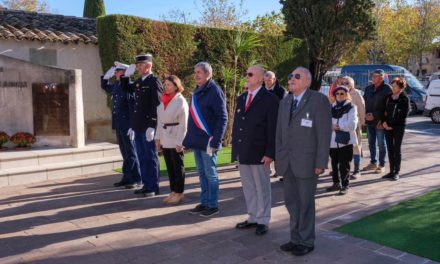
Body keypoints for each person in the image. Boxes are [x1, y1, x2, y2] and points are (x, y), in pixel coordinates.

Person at [276, 67, 332, 256]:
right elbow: (279, 134)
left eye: (296, 77)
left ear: (307, 82)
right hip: (287, 162)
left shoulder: (319, 100)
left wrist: (321, 162)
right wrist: (279, 159)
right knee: (291, 203)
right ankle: (295, 238)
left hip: (308, 162)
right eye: (290, 76)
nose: (291, 79)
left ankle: (307, 241)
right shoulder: (285, 102)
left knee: (306, 203)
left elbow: (324, 134)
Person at [232, 65, 279, 236]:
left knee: (262, 187)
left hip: (260, 152)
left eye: (250, 74)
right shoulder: (242, 97)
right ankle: (252, 217)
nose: (246, 76)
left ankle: (263, 219)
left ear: (260, 78)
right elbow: (238, 126)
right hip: (243, 150)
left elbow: (273, 129)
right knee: (248, 187)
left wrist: (270, 153)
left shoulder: (270, 99)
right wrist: (235, 150)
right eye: (246, 73)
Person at [182, 62, 228, 217]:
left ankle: (213, 205)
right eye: (195, 72)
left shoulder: (215, 91)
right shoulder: (197, 91)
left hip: (209, 141)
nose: (196, 75)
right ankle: (205, 202)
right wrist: (188, 140)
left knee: (210, 173)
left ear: (208, 74)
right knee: (201, 173)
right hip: (198, 141)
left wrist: (216, 141)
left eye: (199, 72)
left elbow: (222, 117)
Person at [120, 54, 163, 197]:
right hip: (138, 126)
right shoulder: (139, 81)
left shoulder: (154, 81)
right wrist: (126, 76)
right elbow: (127, 90)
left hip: (148, 127)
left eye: (141, 65)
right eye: (137, 65)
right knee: (142, 156)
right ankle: (146, 184)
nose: (138, 67)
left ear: (149, 65)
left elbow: (157, 104)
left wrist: (153, 125)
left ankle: (153, 186)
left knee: (150, 157)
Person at [101, 62, 141, 189]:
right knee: (125, 153)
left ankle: (136, 178)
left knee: (131, 152)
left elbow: (132, 107)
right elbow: (106, 87)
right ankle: (127, 177)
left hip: (127, 125)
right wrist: (104, 78)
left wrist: (133, 125)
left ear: (124, 73)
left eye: (118, 72)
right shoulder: (118, 85)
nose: (116, 74)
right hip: (119, 124)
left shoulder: (128, 85)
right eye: (116, 72)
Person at [156, 75, 189, 205]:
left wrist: (180, 142)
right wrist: (158, 138)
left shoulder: (180, 101)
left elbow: (184, 124)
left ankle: (179, 192)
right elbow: (159, 121)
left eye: (169, 85)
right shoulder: (163, 99)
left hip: (176, 136)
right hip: (165, 136)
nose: (166, 87)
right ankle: (173, 191)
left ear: (176, 86)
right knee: (170, 166)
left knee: (177, 166)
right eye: (165, 84)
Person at [326, 86, 358, 195]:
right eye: (337, 94)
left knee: (344, 164)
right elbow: (324, 122)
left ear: (347, 94)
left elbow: (352, 124)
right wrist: (330, 126)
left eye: (342, 93)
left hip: (346, 141)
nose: (339, 95)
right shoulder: (331, 107)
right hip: (332, 141)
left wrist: (338, 126)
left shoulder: (352, 107)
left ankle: (345, 185)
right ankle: (336, 183)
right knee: (334, 164)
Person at [362, 69, 392, 174]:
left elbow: (388, 107)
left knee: (381, 143)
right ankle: (373, 162)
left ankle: (382, 164)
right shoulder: (368, 88)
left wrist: (375, 115)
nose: (372, 78)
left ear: (381, 77)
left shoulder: (387, 89)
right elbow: (363, 103)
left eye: (375, 76)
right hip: (369, 121)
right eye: (372, 76)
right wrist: (366, 115)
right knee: (371, 143)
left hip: (380, 121)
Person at [382, 77, 410, 181]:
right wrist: (384, 122)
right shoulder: (388, 97)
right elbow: (383, 110)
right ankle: (391, 171)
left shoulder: (404, 98)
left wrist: (392, 125)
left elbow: (403, 115)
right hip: (387, 126)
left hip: (398, 127)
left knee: (396, 149)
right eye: (392, 86)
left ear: (400, 87)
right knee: (390, 149)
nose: (392, 88)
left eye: (395, 86)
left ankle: (396, 172)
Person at [341, 76, 365, 179]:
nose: (344, 84)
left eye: (347, 83)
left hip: (355, 125)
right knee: (342, 147)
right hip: (342, 125)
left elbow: (362, 108)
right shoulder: (340, 93)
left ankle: (357, 170)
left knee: (356, 147)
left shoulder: (357, 94)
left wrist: (361, 122)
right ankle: (342, 169)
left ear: (352, 84)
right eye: (342, 83)